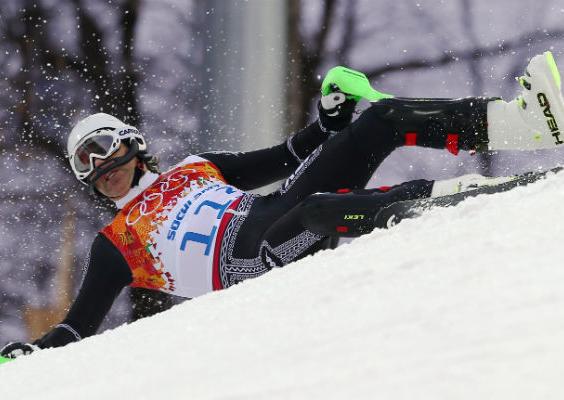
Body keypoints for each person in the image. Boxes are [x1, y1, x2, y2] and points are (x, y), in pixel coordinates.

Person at [2, 51, 563, 359]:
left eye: (104, 149)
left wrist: (332, 119)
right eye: (87, 168)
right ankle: (460, 200)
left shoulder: (195, 166)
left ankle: (527, 123)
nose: (102, 167)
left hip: (280, 211)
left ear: (130, 141)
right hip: (250, 265)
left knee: (381, 121)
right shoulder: (115, 242)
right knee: (321, 207)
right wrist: (26, 354)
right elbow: (76, 330)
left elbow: (289, 153)